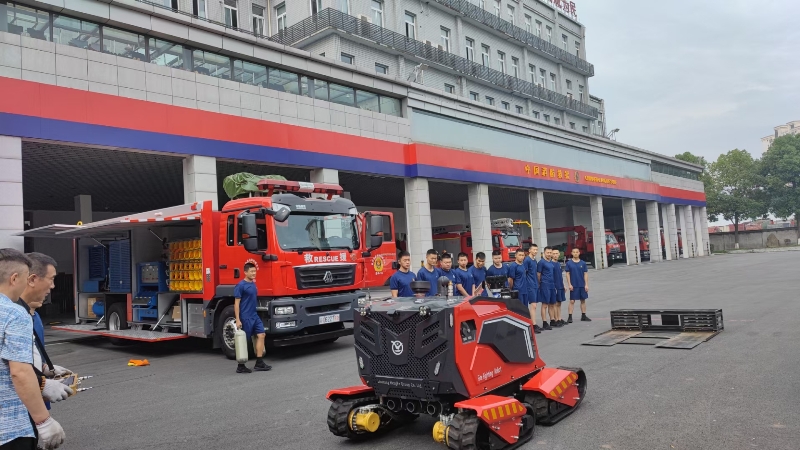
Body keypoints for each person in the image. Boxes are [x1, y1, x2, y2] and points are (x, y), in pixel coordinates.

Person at [0, 248, 65, 450]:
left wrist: (42, 368)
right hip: (10, 428)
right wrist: (43, 421)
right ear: (14, 278)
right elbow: (19, 372)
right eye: (26, 277)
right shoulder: (14, 313)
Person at [17, 253, 73, 411]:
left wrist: (41, 368)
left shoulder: (34, 316)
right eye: (51, 279)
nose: (53, 286)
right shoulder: (13, 319)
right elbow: (13, 370)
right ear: (32, 279)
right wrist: (42, 384)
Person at [234, 262, 270, 374]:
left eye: (255, 271)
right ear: (245, 272)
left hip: (254, 315)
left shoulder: (253, 283)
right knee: (244, 340)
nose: (254, 273)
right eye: (251, 271)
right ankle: (240, 366)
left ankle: (259, 362)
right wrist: (238, 319)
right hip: (245, 317)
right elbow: (236, 304)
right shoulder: (240, 286)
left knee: (261, 334)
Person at [565, 248, 591, 323]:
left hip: (582, 285)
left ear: (579, 253)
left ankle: (583, 315)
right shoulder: (569, 263)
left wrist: (586, 284)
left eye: (577, 252)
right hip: (574, 285)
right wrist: (569, 284)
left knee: (583, 300)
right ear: (572, 253)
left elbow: (585, 274)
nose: (575, 253)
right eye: (574, 252)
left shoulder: (583, 263)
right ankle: (570, 317)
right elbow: (567, 274)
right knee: (572, 301)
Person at [537, 247, 558, 330]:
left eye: (550, 253)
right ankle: (544, 322)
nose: (549, 254)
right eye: (547, 252)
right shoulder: (541, 262)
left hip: (552, 285)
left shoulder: (551, 262)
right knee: (545, 304)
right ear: (544, 253)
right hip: (545, 285)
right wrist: (540, 283)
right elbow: (538, 274)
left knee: (552, 303)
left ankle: (552, 320)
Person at [523, 244, 541, 333]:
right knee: (533, 305)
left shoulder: (534, 260)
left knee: (535, 305)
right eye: (534, 249)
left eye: (536, 250)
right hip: (529, 286)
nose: (535, 251)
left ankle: (533, 323)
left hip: (535, 285)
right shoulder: (527, 260)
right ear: (529, 250)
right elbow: (524, 273)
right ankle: (533, 325)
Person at [551, 249, 567, 326]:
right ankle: (556, 319)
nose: (555, 255)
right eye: (553, 253)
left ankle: (559, 318)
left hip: (560, 285)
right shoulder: (551, 264)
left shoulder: (558, 264)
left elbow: (560, 276)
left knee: (559, 302)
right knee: (555, 303)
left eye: (556, 253)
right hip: (555, 286)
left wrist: (563, 285)